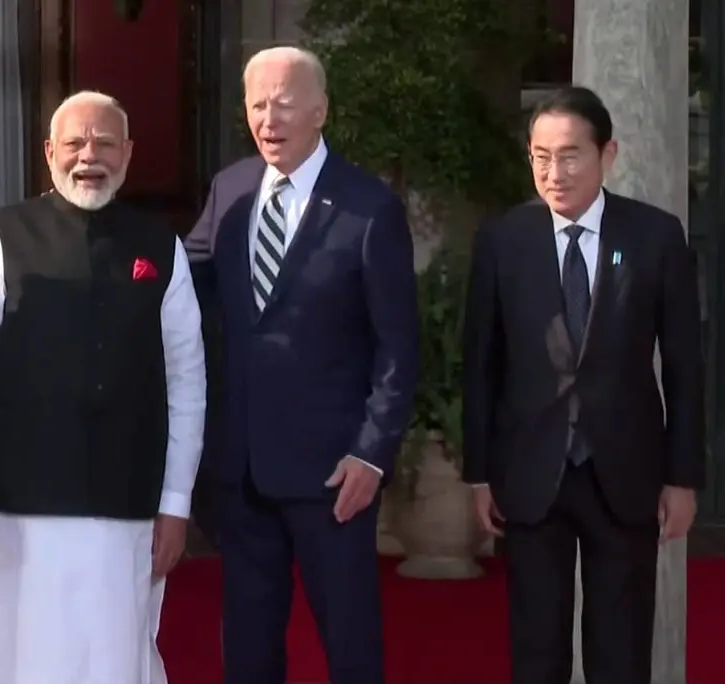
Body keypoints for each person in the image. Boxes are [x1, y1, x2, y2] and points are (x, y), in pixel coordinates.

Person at [0, 90, 206, 684]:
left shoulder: (160, 246)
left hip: (124, 504)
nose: (90, 156)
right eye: (76, 142)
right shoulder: (0, 235)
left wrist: (175, 504)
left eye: (105, 143)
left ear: (127, 153)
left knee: (110, 658)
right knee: (7, 659)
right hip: (10, 506)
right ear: (49, 152)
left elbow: (187, 382)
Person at [185, 46, 419, 684]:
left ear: (320, 110)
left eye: (284, 104)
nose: (269, 119)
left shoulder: (369, 207)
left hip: (334, 475)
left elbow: (398, 347)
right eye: (257, 105)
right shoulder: (230, 190)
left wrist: (372, 453)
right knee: (248, 650)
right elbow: (181, 279)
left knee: (350, 646)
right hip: (243, 470)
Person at [462, 85, 704, 684]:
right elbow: (482, 364)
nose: (554, 172)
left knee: (620, 653)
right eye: (541, 157)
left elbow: (684, 365)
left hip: (624, 472)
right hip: (529, 474)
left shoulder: (654, 237)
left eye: (570, 155)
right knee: (536, 650)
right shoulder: (503, 240)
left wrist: (682, 478)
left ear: (607, 154)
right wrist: (479, 473)